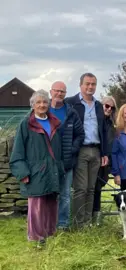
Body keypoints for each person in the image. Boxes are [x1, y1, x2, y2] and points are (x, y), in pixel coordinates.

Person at [10, 90, 64, 248]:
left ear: (48, 105)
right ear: (32, 105)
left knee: (51, 203)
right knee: (37, 205)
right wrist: (23, 172)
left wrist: (60, 167)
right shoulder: (26, 124)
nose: (42, 105)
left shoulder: (54, 122)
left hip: (52, 169)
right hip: (35, 171)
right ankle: (36, 237)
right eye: (38, 102)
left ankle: (49, 233)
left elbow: (58, 149)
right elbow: (17, 151)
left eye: (45, 102)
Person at [65, 73, 109, 228]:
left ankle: (87, 221)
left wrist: (104, 152)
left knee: (91, 188)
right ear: (81, 85)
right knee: (81, 188)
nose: (90, 87)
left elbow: (103, 130)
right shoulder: (70, 103)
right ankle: (78, 223)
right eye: (87, 84)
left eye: (93, 84)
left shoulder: (98, 105)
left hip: (96, 150)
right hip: (81, 150)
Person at [49, 81, 85, 230]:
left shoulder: (71, 113)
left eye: (62, 92)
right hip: (49, 161)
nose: (59, 94)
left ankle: (63, 224)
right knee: (49, 194)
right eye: (56, 91)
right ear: (51, 92)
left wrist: (72, 149)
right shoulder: (44, 111)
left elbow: (80, 134)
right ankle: (49, 223)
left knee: (65, 194)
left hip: (67, 160)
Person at [92, 96, 117, 226]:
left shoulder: (111, 125)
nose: (109, 109)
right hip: (94, 158)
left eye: (112, 108)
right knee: (89, 188)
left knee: (98, 189)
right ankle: (87, 218)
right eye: (107, 106)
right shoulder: (93, 121)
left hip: (105, 163)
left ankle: (96, 218)